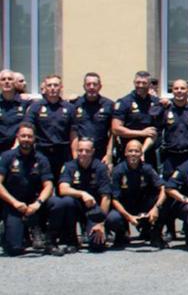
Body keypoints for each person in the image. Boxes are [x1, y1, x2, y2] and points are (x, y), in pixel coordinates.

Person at [0, 124, 56, 256]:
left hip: (34, 204)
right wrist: (14, 203)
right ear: (17, 137)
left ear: (34, 139)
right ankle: (5, 233)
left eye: (29, 136)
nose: (26, 139)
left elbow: (48, 185)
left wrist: (38, 203)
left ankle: (47, 236)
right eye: (23, 136)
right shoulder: (7, 156)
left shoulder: (41, 159)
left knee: (58, 203)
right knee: (15, 250)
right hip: (13, 203)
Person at [54, 138, 112, 252]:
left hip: (93, 210)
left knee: (97, 246)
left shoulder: (100, 167)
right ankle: (72, 240)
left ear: (93, 151)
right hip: (76, 208)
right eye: (80, 150)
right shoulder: (69, 166)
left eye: (87, 150)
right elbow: (62, 189)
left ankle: (93, 230)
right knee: (66, 201)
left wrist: (100, 223)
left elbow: (106, 197)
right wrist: (82, 193)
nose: (83, 153)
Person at [106, 139, 166, 249]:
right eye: (130, 151)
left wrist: (156, 208)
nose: (133, 154)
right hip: (126, 206)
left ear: (141, 153)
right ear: (125, 153)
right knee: (112, 218)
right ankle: (122, 235)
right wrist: (128, 217)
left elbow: (162, 188)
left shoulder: (147, 168)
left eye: (137, 151)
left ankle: (155, 235)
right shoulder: (118, 171)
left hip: (143, 204)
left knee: (163, 203)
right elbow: (114, 199)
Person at [154, 79, 188, 179]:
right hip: (170, 157)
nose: (179, 91)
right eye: (176, 88)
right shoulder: (165, 110)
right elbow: (156, 132)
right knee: (169, 187)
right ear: (172, 91)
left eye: (182, 88)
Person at [25, 74, 74, 180]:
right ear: (45, 88)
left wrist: (75, 157)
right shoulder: (35, 107)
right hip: (42, 152)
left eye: (56, 85)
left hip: (63, 153)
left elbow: (73, 134)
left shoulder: (69, 108)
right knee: (43, 183)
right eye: (49, 85)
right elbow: (28, 128)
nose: (52, 88)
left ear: (61, 87)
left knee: (63, 184)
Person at [112, 71, 161, 167]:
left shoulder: (156, 102)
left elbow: (154, 132)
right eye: (138, 82)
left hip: (148, 153)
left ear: (150, 84)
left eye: (144, 83)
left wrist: (142, 151)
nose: (140, 85)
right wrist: (141, 133)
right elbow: (116, 129)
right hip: (128, 153)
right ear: (134, 82)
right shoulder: (124, 102)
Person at [70, 73, 115, 167]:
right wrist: (75, 155)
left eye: (95, 84)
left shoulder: (109, 105)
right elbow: (73, 132)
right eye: (88, 84)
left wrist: (108, 154)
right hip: (82, 153)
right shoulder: (75, 105)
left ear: (100, 86)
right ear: (84, 86)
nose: (91, 87)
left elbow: (113, 132)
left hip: (101, 153)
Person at [0, 69, 30, 153]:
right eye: (3, 79)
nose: (7, 82)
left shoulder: (25, 103)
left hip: (19, 149)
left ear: (15, 83)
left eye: (10, 79)